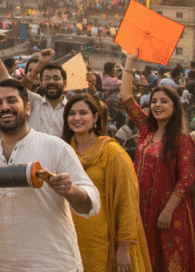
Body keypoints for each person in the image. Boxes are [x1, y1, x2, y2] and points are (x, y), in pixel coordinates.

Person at [0, 79, 100, 272]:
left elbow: (91, 203)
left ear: (28, 108)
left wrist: (71, 191)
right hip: (0, 265)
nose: (4, 107)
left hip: (53, 264)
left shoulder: (55, 147)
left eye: (11, 100)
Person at [120, 53, 195, 270]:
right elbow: (127, 97)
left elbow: (187, 178)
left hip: (170, 213)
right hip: (142, 208)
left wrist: (168, 211)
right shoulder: (146, 129)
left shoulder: (181, 139)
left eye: (164, 101)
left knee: (169, 260)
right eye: (154, 101)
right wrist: (130, 62)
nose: (157, 105)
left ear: (175, 106)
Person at [61, 94, 151, 272]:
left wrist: (124, 247)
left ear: (95, 117)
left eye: (83, 113)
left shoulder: (112, 152)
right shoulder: (62, 150)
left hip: (103, 240)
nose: (77, 118)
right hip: (68, 240)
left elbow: (128, 200)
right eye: (71, 114)